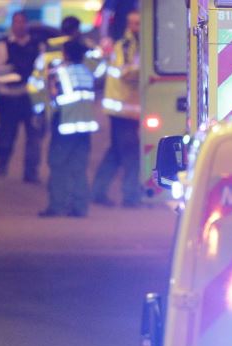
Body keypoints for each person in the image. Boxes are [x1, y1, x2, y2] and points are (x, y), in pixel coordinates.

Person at [38, 40, 99, 218]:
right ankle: (80, 207)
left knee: (58, 165)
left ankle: (57, 206)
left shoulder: (60, 72)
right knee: (79, 167)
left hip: (65, 123)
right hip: (84, 125)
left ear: (66, 53)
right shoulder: (88, 70)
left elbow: (52, 96)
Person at [91, 11, 142, 208]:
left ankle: (98, 191)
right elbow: (125, 72)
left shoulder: (133, 44)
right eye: (135, 23)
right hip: (122, 110)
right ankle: (131, 196)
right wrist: (145, 70)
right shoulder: (126, 45)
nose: (138, 27)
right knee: (130, 154)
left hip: (124, 109)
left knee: (116, 152)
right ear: (129, 25)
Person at [0, 11, 45, 183]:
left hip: (30, 98)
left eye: (22, 22)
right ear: (12, 25)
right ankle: (2, 162)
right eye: (16, 22)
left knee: (34, 137)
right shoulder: (2, 46)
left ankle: (31, 172)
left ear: (27, 24)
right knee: (6, 135)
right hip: (8, 97)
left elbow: (43, 70)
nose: (19, 25)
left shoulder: (37, 46)